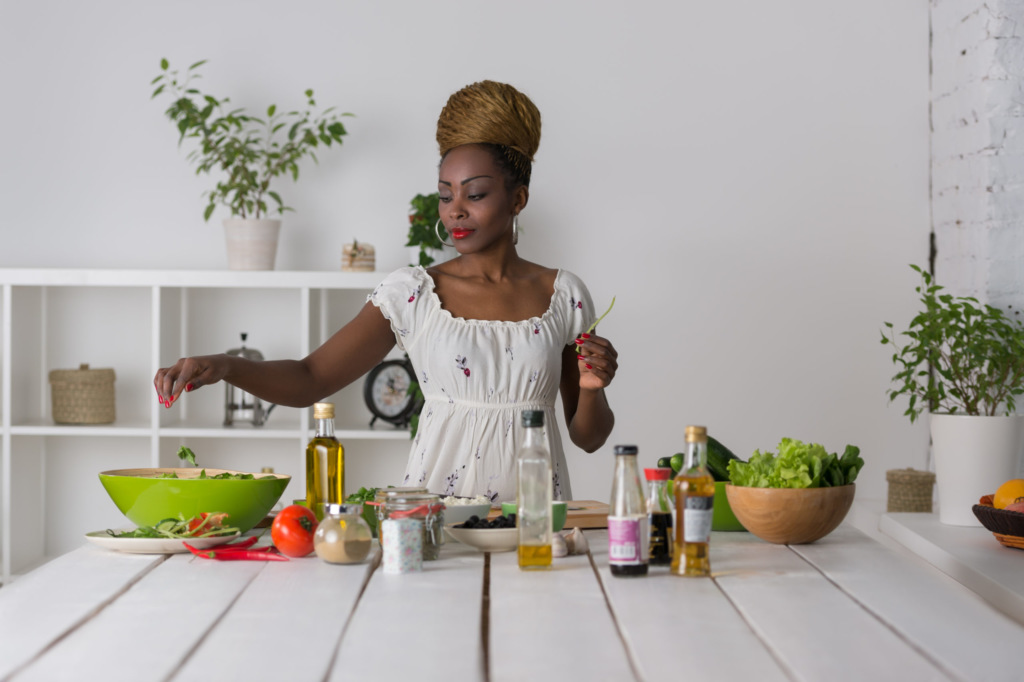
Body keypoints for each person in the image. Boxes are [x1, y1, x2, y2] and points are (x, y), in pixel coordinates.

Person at [153, 80, 617, 501]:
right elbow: (311, 378)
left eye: (474, 195)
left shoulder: (564, 295)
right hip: (434, 523)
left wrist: (593, 389)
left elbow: (588, 437)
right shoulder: (412, 293)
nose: (455, 210)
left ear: (518, 199)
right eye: (445, 194)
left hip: (535, 527)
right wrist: (225, 366)